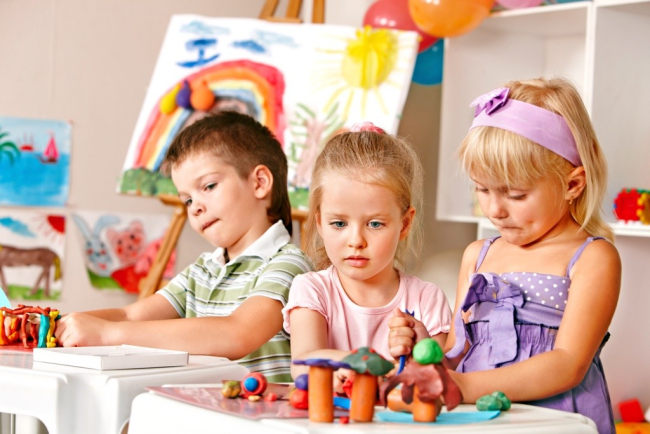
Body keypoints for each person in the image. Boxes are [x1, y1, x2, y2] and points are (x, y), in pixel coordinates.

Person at [390, 77, 621, 433]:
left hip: (554, 422)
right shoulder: (478, 255)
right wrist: (429, 349)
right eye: (482, 189)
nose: (495, 210)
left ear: (572, 184)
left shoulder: (592, 257)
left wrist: (465, 387)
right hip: (479, 421)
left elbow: (568, 364)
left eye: (515, 195)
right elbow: (459, 352)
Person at [56, 111, 313, 382]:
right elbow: (129, 316)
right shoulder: (201, 272)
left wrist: (106, 334)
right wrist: (59, 324)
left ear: (259, 182)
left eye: (209, 186)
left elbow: (238, 333)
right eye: (187, 200)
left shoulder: (289, 265)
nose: (196, 207)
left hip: (258, 410)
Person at [283, 122, 452, 390]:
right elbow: (304, 361)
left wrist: (420, 352)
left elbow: (442, 380)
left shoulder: (426, 300)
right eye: (339, 223)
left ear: (405, 224)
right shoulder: (311, 290)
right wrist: (369, 364)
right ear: (320, 223)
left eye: (375, 224)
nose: (356, 241)